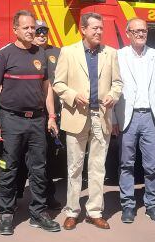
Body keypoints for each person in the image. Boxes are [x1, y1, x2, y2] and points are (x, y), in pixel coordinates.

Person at [0, 10, 61, 235]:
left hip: (37, 120)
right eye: (26, 28)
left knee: (39, 169)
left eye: (33, 28)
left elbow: (47, 88)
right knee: (9, 168)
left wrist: (51, 117)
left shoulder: (41, 54)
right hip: (11, 120)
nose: (31, 31)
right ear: (15, 30)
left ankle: (38, 213)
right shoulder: (5, 55)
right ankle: (6, 214)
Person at [53, 12, 123, 230]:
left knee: (97, 167)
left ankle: (94, 211)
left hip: (100, 117)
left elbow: (118, 83)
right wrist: (73, 96)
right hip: (77, 117)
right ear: (83, 29)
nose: (99, 32)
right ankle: (72, 211)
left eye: (101, 28)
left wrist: (114, 94)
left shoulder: (110, 53)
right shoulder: (68, 52)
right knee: (74, 167)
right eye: (95, 28)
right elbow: (58, 84)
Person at [114, 18, 155, 224]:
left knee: (152, 166)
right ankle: (128, 205)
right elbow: (113, 88)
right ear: (127, 33)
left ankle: (152, 205)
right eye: (136, 30)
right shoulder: (118, 56)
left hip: (152, 118)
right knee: (126, 164)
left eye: (144, 31)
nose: (140, 34)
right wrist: (114, 118)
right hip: (127, 118)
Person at [16, 20, 64, 209]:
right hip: (28, 114)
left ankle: (47, 195)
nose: (42, 35)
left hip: (50, 114)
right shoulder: (22, 52)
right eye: (38, 31)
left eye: (45, 31)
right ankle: (16, 192)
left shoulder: (58, 53)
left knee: (48, 158)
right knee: (19, 156)